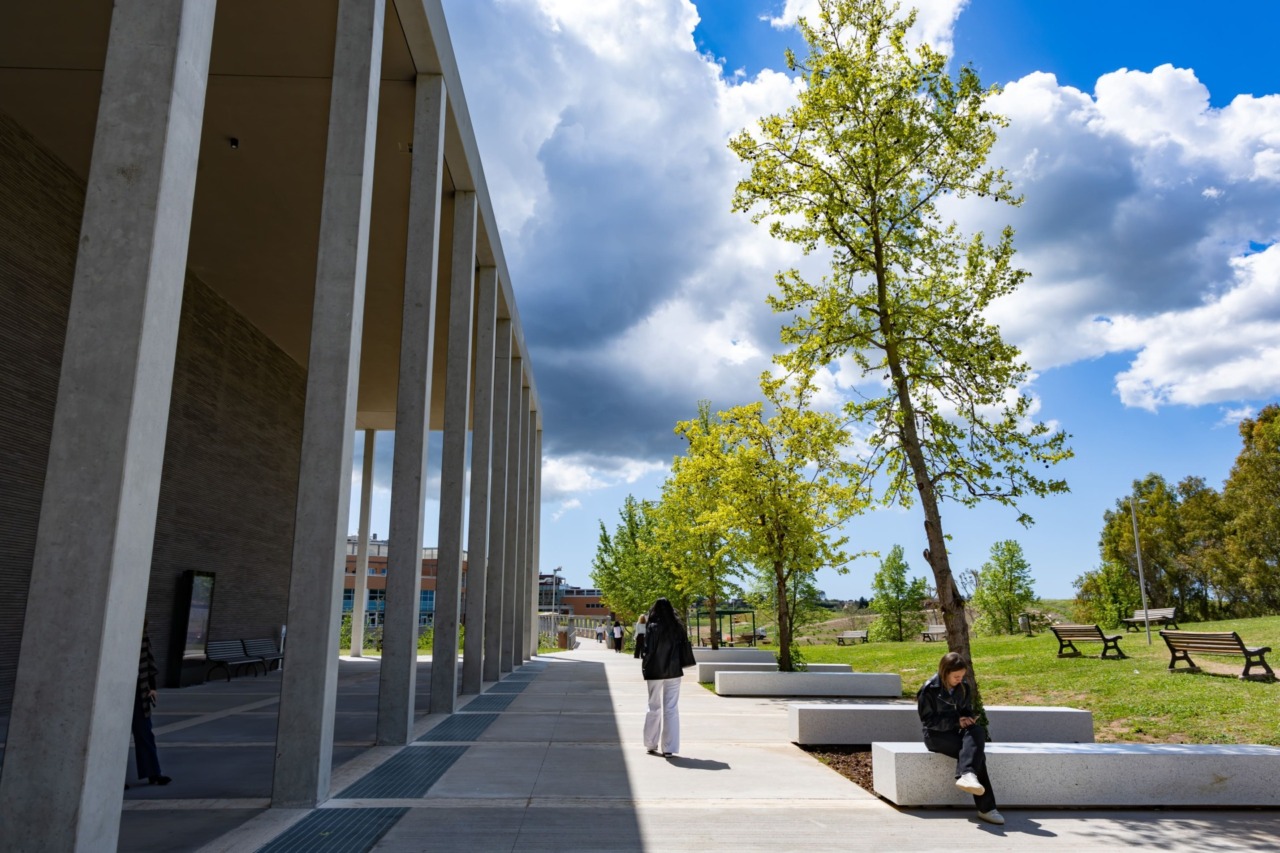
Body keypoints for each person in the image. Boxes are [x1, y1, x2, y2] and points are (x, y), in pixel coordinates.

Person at [917, 652, 1001, 824]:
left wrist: (968, 718)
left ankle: (968, 775)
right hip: (936, 736)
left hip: (957, 732)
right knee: (978, 756)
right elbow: (928, 721)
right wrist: (956, 722)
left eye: (962, 676)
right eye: (956, 676)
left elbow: (965, 710)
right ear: (944, 672)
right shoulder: (928, 689)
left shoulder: (963, 687)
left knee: (977, 731)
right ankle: (986, 808)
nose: (959, 679)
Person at [640, 597, 689, 757]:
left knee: (653, 706)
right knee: (671, 708)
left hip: (655, 670)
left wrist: (645, 666)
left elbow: (647, 650)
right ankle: (669, 748)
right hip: (674, 671)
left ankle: (650, 743)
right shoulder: (677, 627)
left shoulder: (652, 626)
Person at [132, 621, 171, 787]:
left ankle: (153, 773)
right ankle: (111, 776)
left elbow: (148, 661)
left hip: (139, 689)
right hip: (115, 687)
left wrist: (153, 687)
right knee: (111, 734)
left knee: (145, 731)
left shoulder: (142, 635)